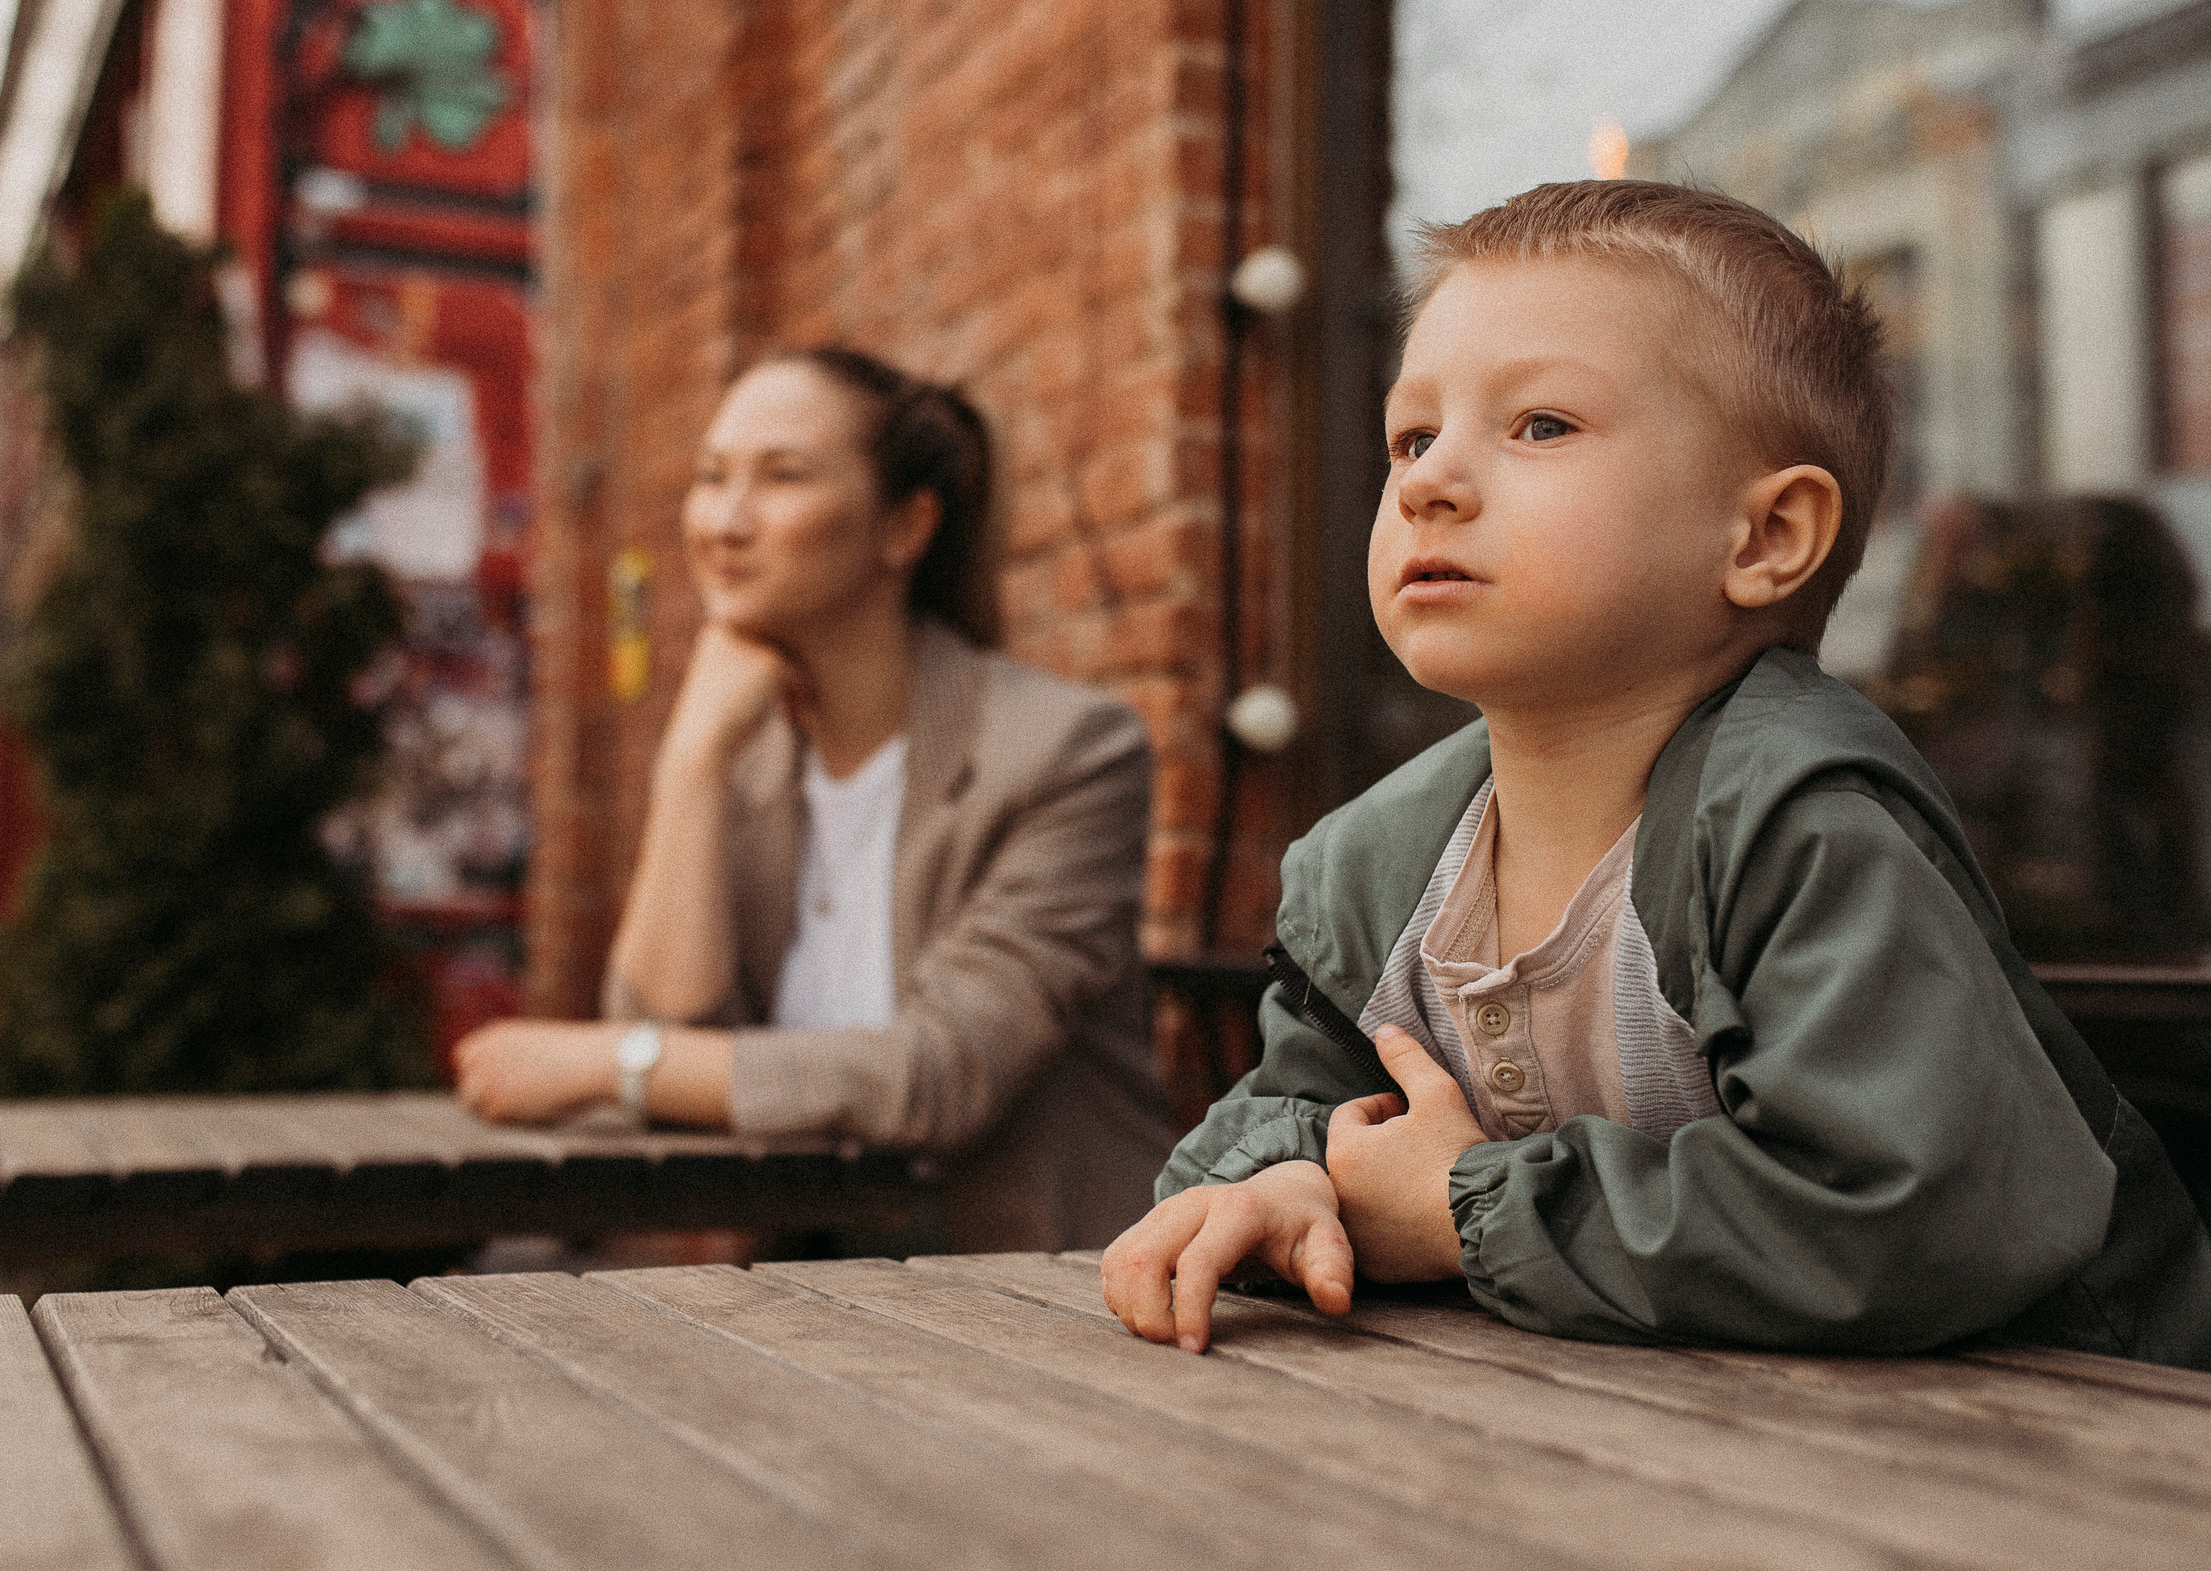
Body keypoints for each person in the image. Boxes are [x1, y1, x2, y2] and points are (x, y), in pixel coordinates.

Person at [1103, 180, 2211, 1367]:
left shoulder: (1798, 830)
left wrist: (1462, 1210)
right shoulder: (1373, 873)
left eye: (1540, 426)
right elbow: (1288, 1113)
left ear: (1766, 537)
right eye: (1411, 437)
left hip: (2076, 1424)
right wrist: (1289, 1185)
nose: (1426, 481)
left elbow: (1912, 1212)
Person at [454, 347, 1171, 1251]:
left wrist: (608, 1061)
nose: (724, 521)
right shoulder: (745, 756)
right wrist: (691, 761)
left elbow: (939, 1079)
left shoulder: (1066, 751)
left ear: (904, 528)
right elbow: (675, 1044)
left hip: (1043, 1284)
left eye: (781, 476)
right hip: (801, 1282)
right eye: (711, 477)